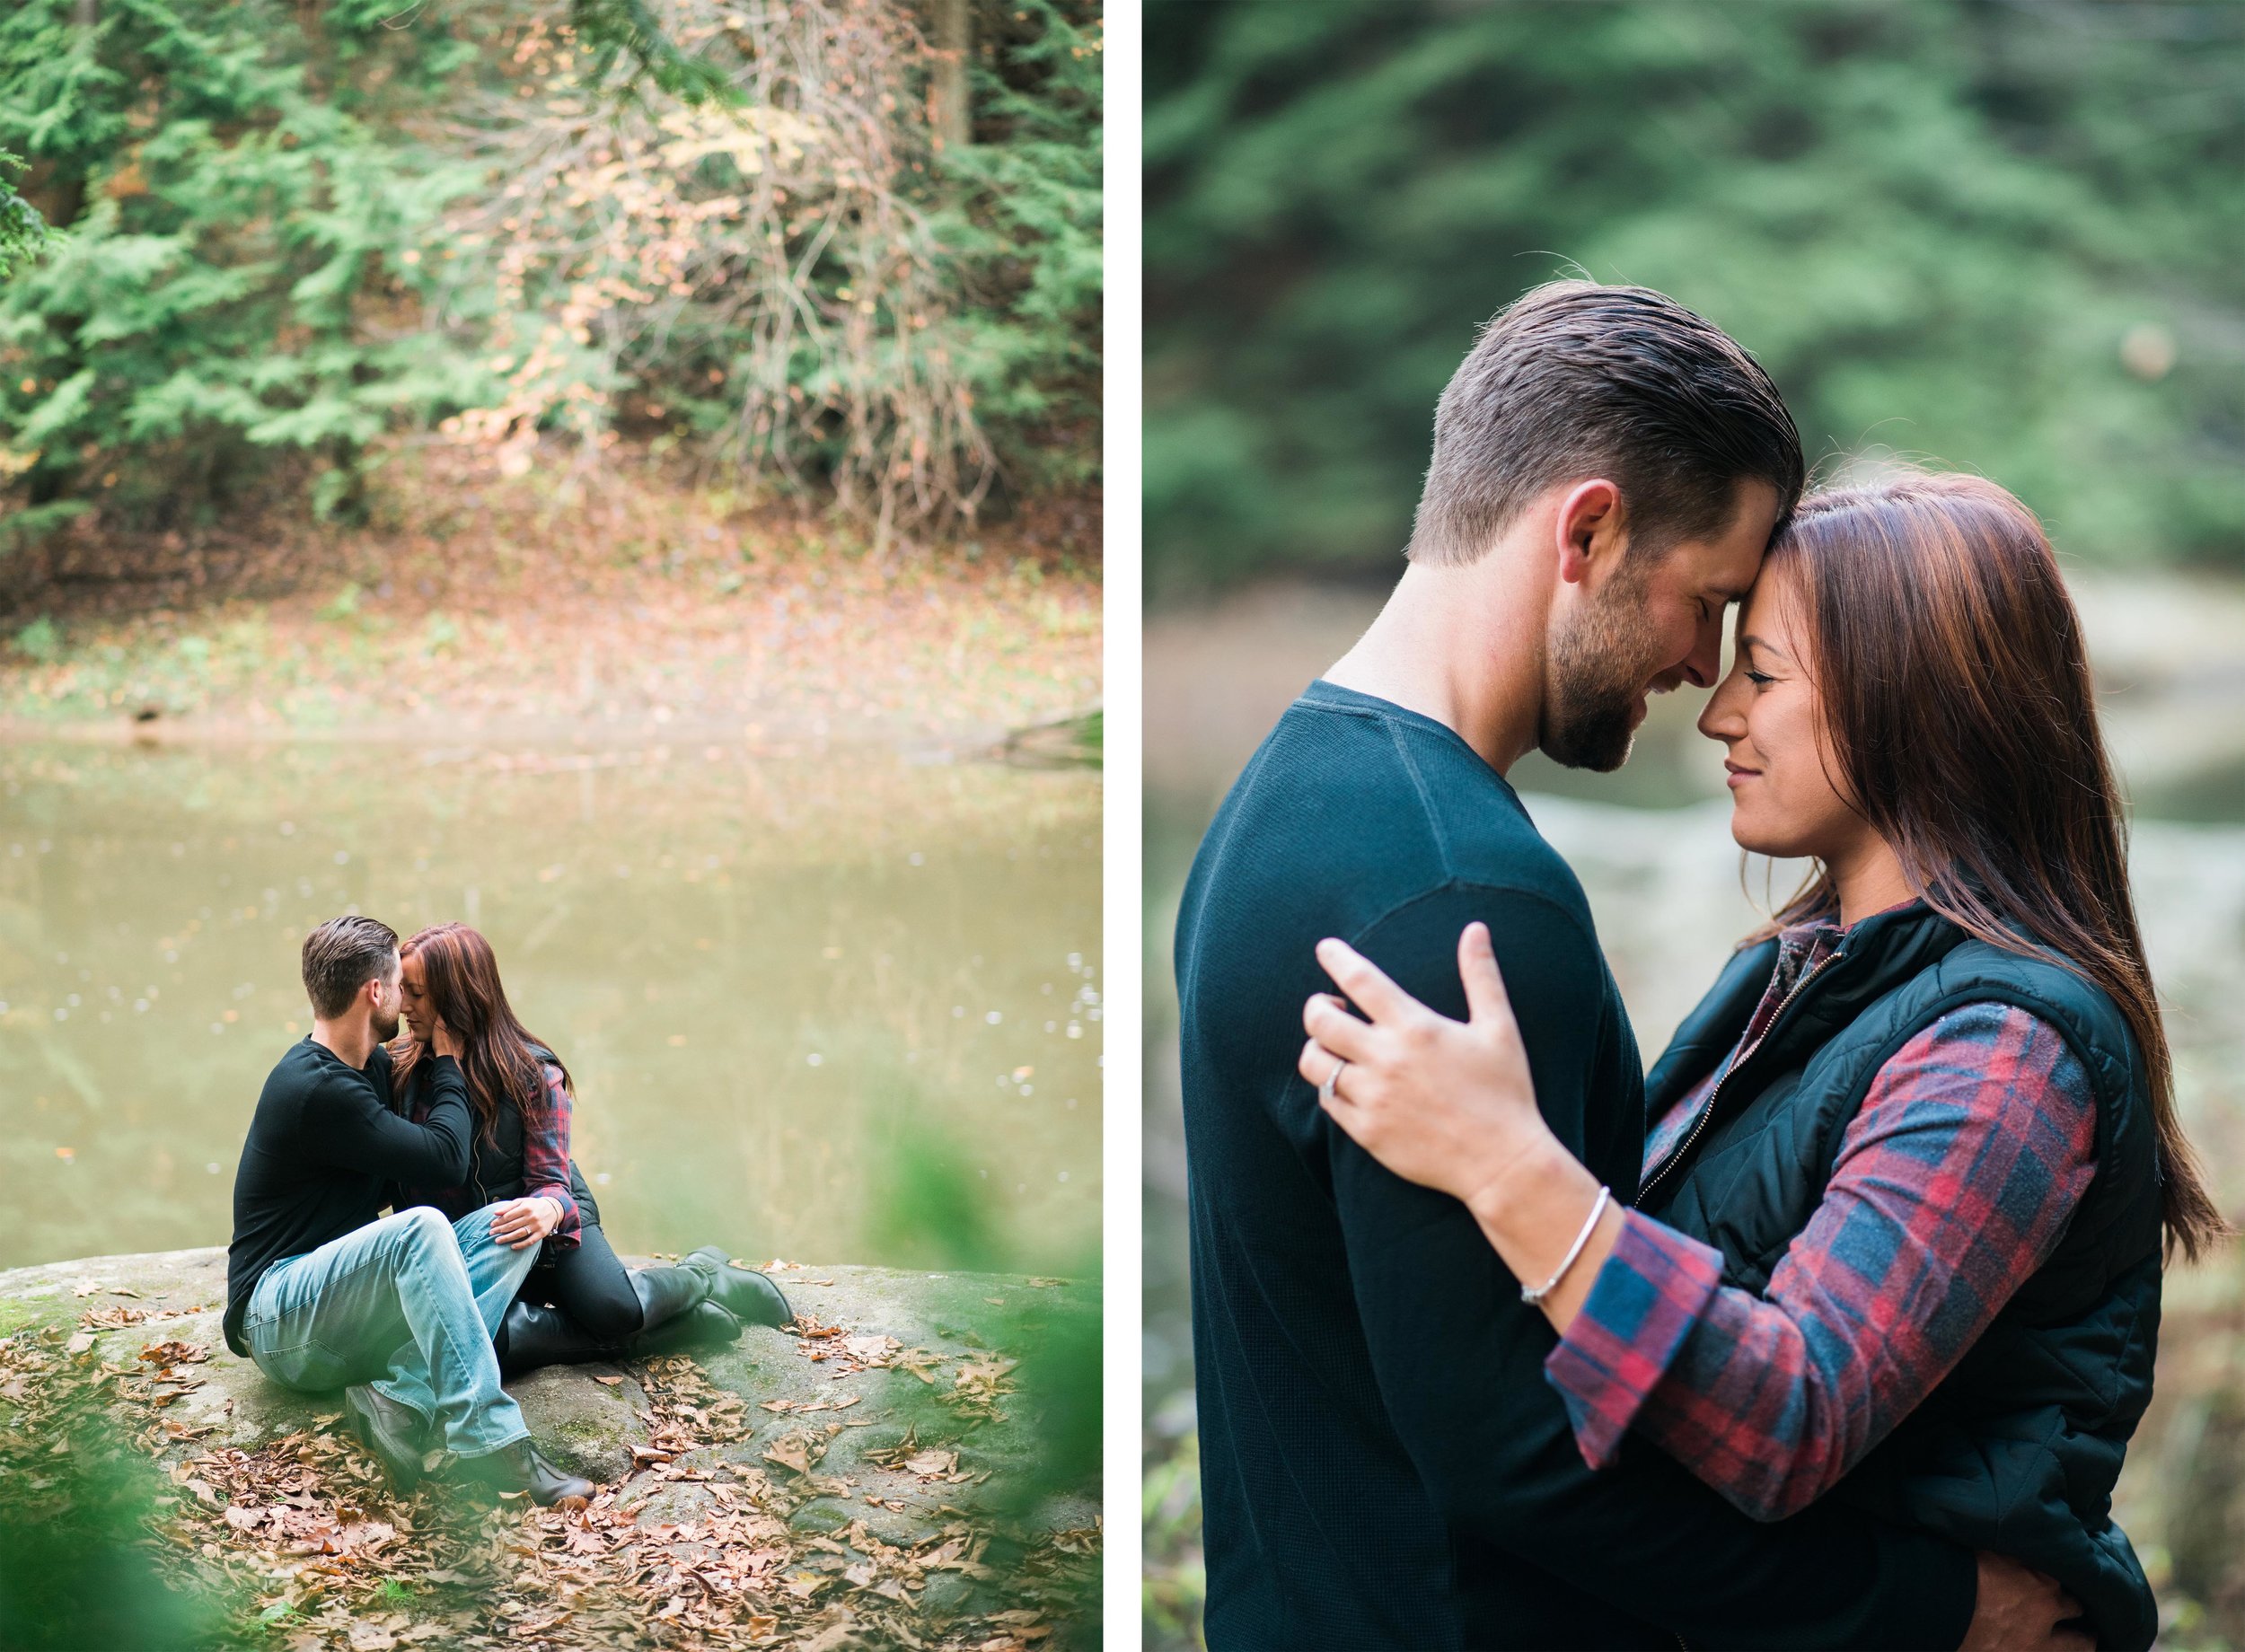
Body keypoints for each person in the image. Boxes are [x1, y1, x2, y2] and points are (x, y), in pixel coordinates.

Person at [1175, 282, 2081, 1648]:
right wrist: (1933, 1608)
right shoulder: (1465, 900)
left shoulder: (1281, 800)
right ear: (1587, 532)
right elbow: (1534, 1463)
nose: (1699, 670)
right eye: (1707, 601)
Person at [1297, 471, 2227, 1652]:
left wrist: (1503, 1162)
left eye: (1766, 673)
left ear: (1914, 704)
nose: (1717, 711)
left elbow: (1791, 1414)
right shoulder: (1801, 966)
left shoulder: (2007, 1052)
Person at [224, 915, 595, 1507]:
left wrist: (544, 1205)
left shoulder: (370, 1068)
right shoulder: (317, 1089)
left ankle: (402, 1399)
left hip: (341, 1308)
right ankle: (496, 1441)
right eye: (402, 983)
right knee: (422, 1228)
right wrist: (448, 1059)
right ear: (376, 993)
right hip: (279, 1319)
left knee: (513, 1225)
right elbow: (444, 1158)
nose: (407, 997)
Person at [385, 922, 793, 1392]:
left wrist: (547, 1209)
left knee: (615, 1309)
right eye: (402, 990)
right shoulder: (399, 1068)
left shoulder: (533, 1074)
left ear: (457, 996)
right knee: (480, 1341)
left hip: (548, 1229)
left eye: (415, 993)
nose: (404, 1006)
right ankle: (646, 1338)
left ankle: (703, 1275)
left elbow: (553, 1181)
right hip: (471, 1253)